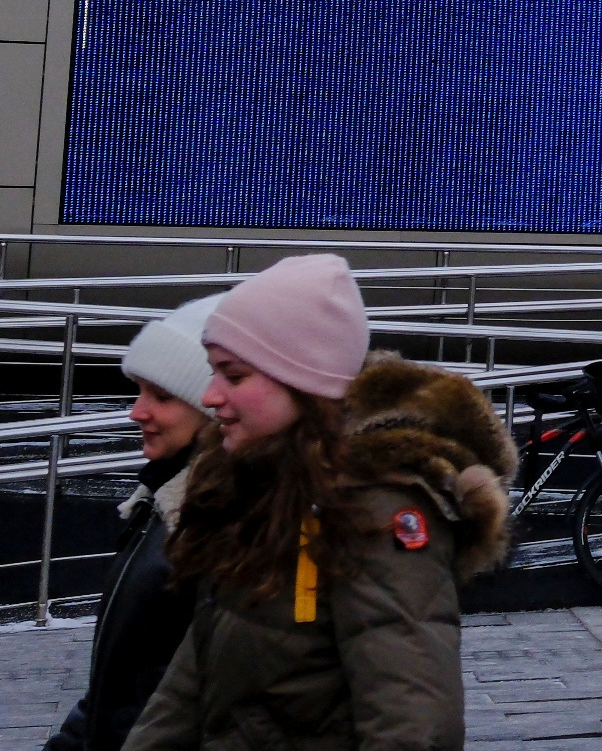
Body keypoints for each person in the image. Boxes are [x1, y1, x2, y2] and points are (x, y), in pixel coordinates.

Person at [124, 254, 515, 751]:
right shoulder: (258, 488)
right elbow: (190, 684)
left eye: (234, 375)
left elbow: (413, 719)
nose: (212, 396)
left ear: (301, 381)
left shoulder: (377, 510)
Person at [47, 297, 219, 751]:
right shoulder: (161, 503)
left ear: (216, 408)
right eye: (139, 391)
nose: (136, 412)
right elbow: (117, 683)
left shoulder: (211, 522)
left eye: (162, 396)